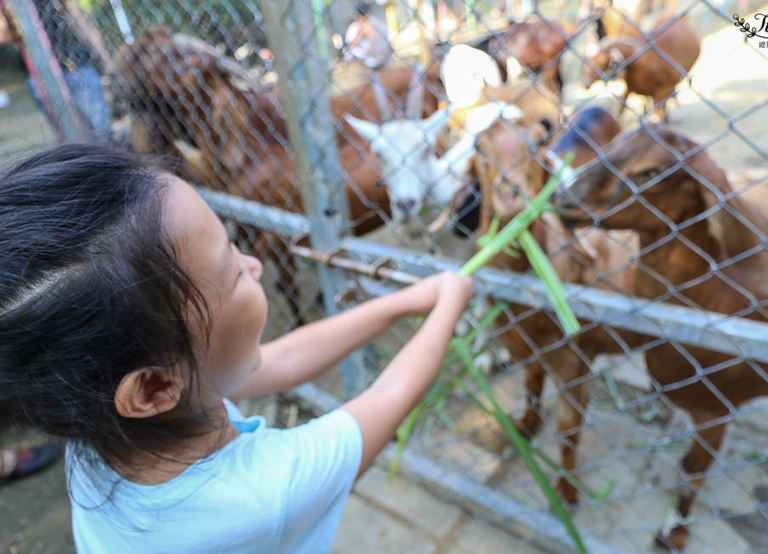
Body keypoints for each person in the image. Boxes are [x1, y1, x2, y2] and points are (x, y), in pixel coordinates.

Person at [0, 144, 473, 553]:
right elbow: (391, 395)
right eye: (231, 267)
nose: (254, 266)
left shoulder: (97, 419)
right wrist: (449, 301)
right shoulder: (264, 494)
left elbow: (282, 359)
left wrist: (405, 302)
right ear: (152, 387)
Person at [4, 1, 112, 137]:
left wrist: (103, 56)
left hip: (75, 63)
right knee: (68, 133)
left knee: (100, 129)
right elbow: (3, 36)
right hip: (39, 75)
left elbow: (80, 20)